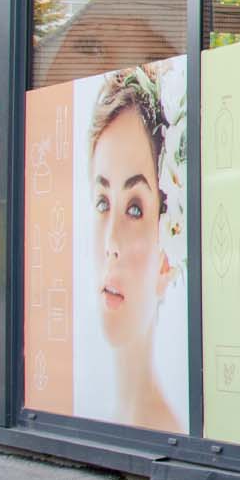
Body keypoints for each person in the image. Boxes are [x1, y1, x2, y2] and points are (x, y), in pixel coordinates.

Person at [87, 65, 183, 433]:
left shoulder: (165, 430)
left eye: (134, 208)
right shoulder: (101, 419)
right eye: (101, 202)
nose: (111, 243)